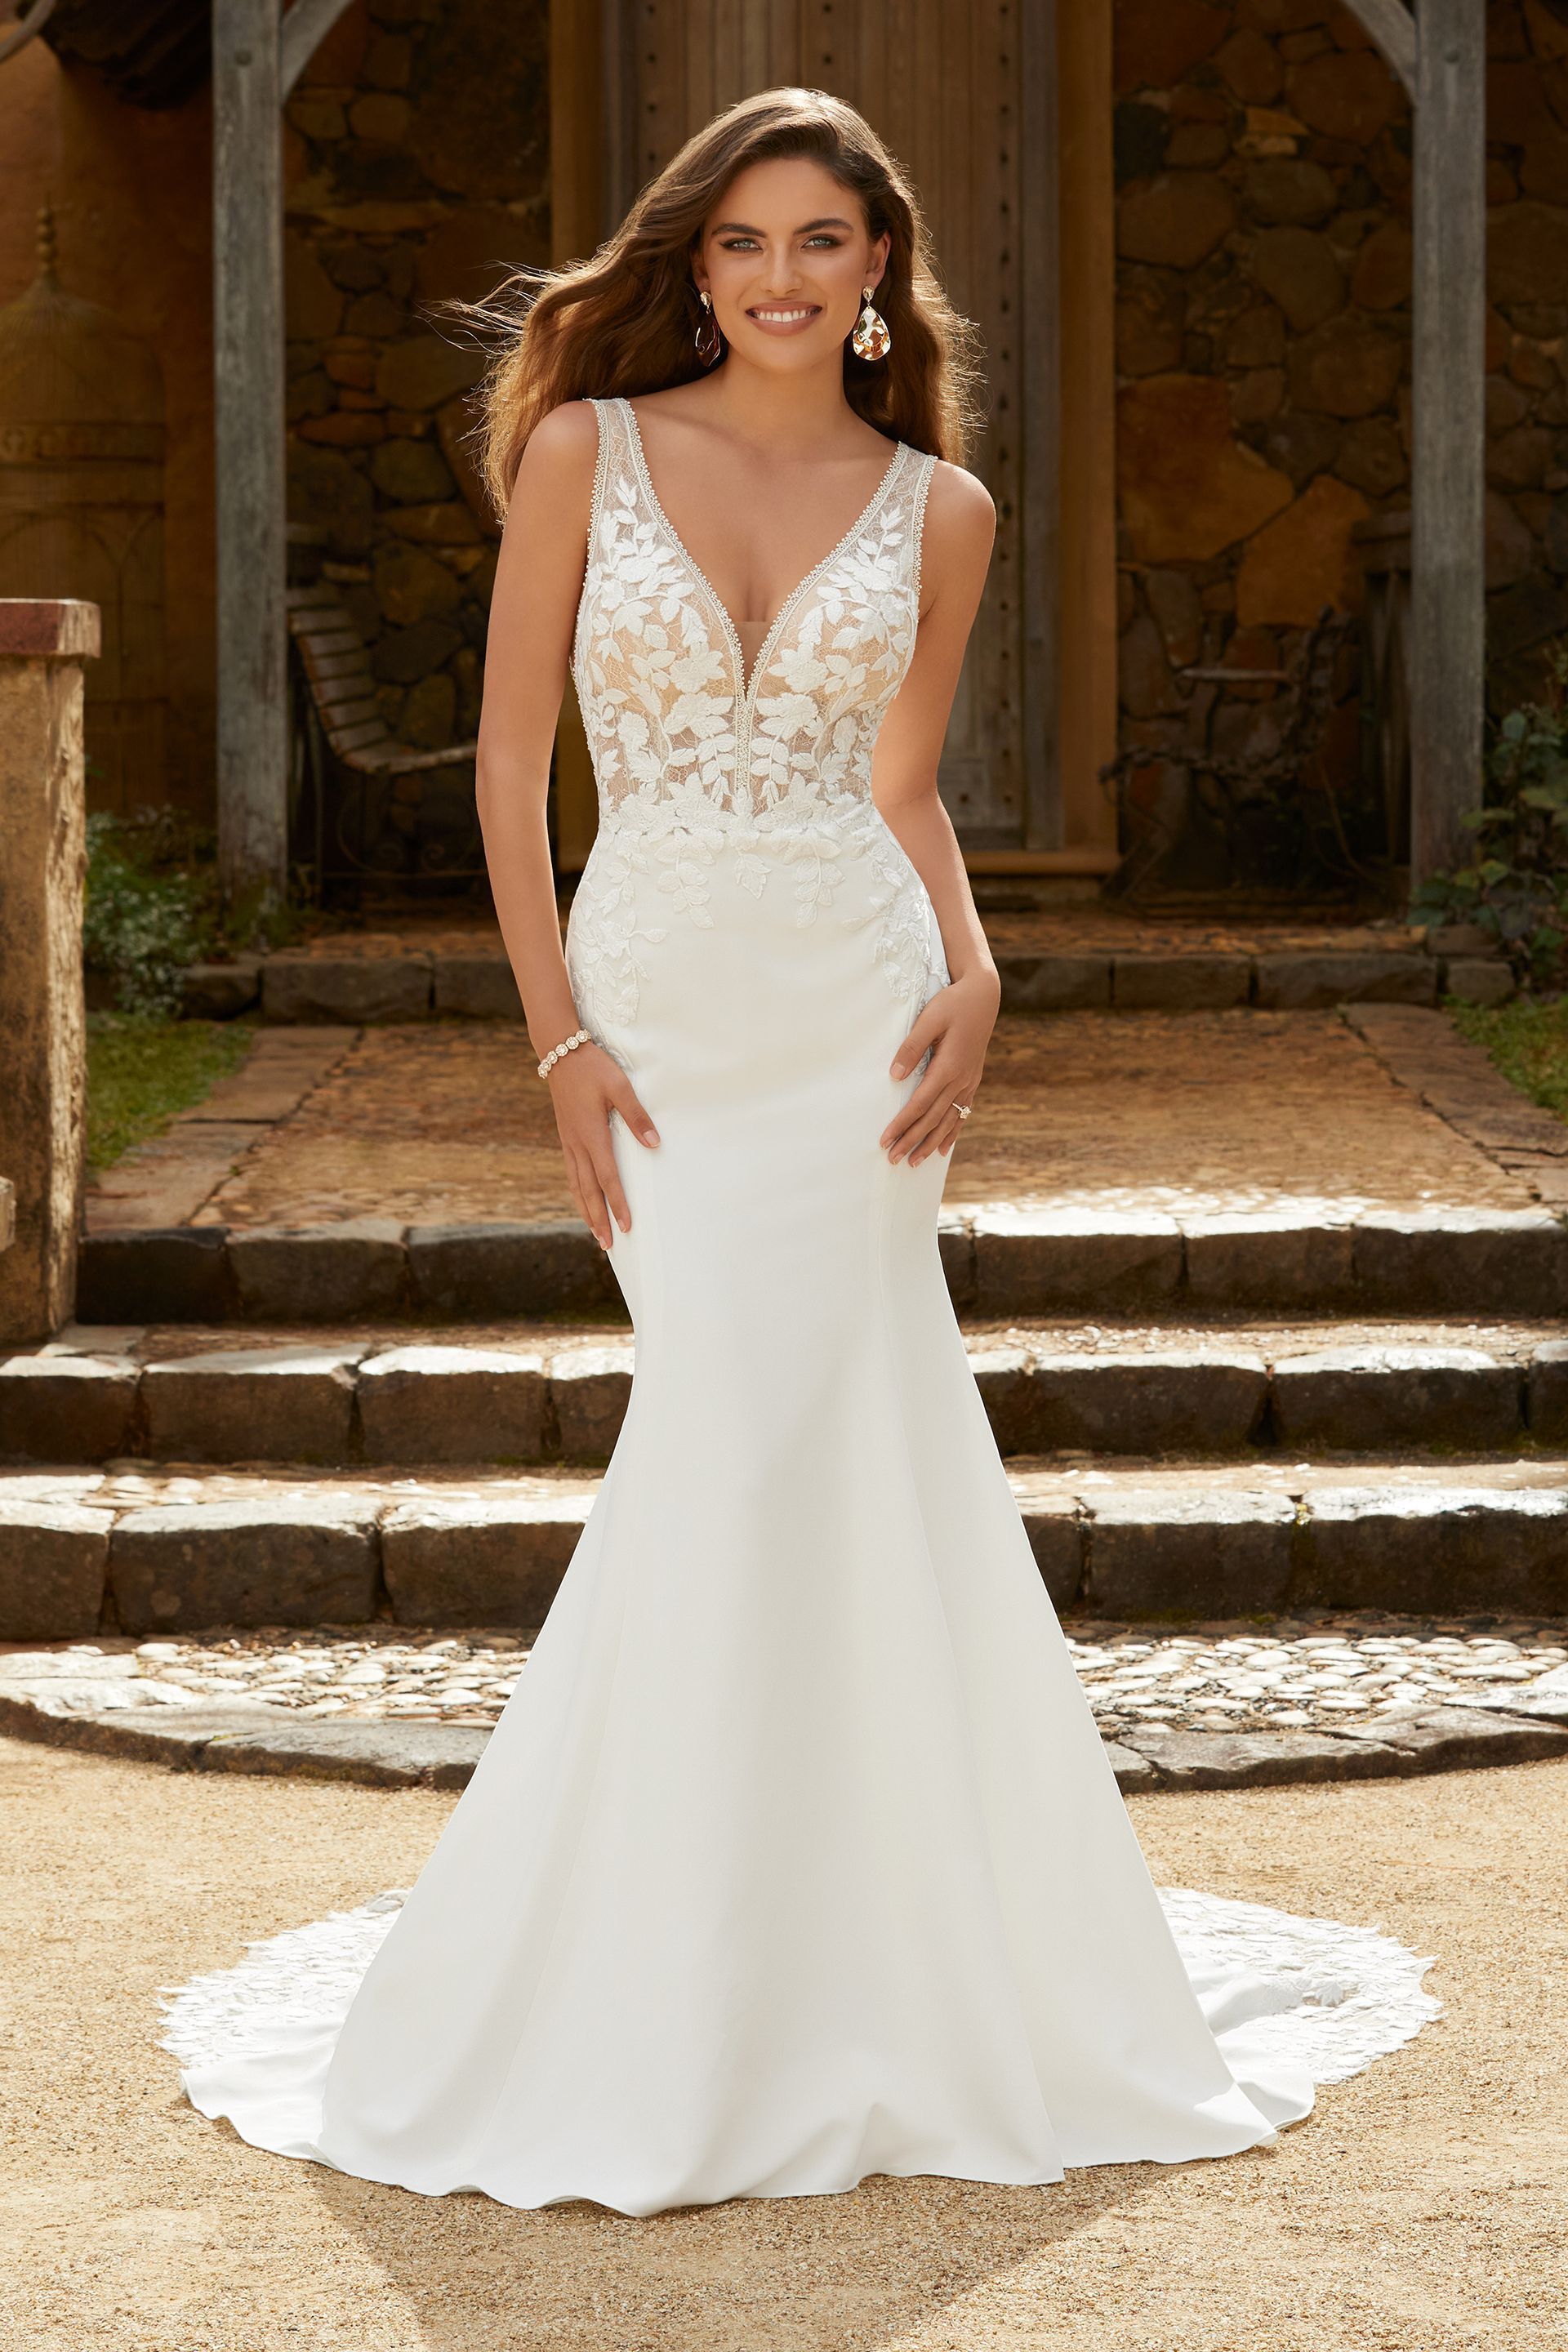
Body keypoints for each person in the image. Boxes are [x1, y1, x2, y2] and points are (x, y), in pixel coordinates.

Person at [180, 86, 1316, 2213]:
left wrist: (977, 969)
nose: (782, 278)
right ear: (692, 265)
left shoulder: (946, 508)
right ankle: (655, 1968)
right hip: (667, 1008)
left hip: (863, 1016)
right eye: (742, 244)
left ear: (882, 271)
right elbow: (516, 772)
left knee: (837, 1434)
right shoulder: (585, 452)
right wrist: (559, 1041)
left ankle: (857, 1963)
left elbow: (899, 787)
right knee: (737, 1423)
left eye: (823, 243)